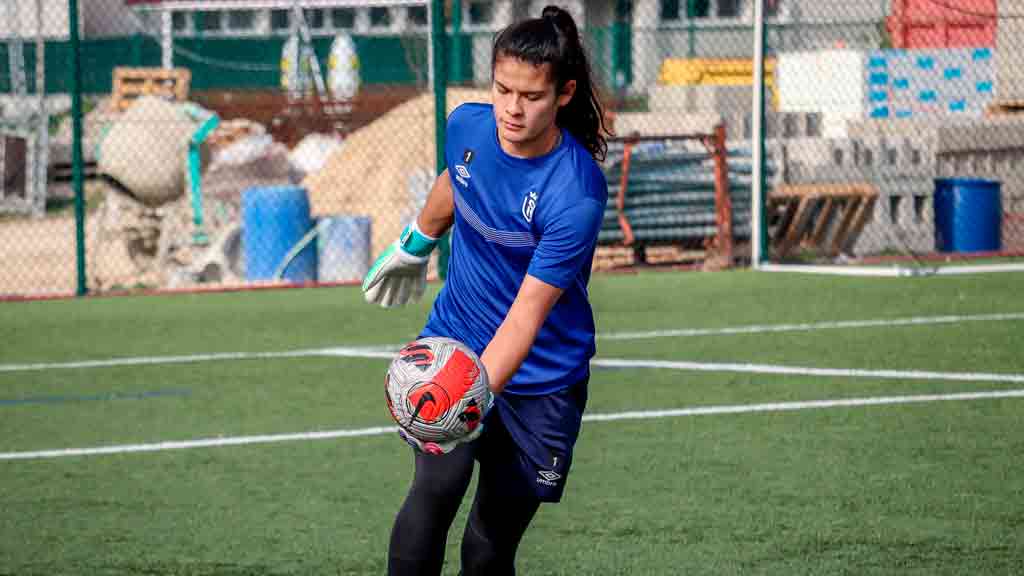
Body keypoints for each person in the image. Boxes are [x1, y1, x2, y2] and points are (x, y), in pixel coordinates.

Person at [361, 5, 610, 575]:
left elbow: (526, 316)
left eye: (531, 96)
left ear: (564, 94)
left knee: (488, 543)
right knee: (435, 491)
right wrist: (416, 241)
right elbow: (458, 178)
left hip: (542, 379)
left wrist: (465, 400)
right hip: (456, 342)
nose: (513, 109)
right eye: (502, 90)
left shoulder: (575, 193)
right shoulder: (468, 125)